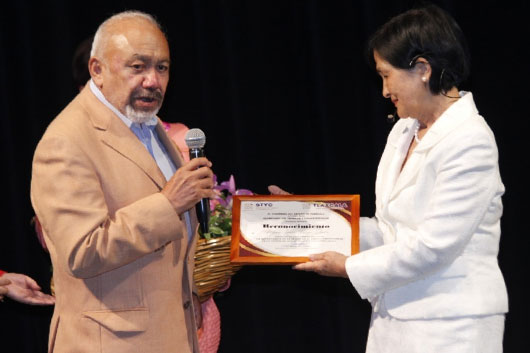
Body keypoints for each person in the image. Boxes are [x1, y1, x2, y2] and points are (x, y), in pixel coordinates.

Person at [275, 4, 508, 352]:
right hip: (392, 321)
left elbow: (434, 246)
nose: (384, 90)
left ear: (423, 70)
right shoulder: (403, 131)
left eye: (386, 74)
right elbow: (389, 231)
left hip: (452, 326)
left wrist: (348, 267)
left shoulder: (470, 139)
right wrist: (309, 219)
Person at [30, 10, 215, 353]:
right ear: (97, 70)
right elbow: (82, 251)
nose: (152, 80)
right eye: (137, 66)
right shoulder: (66, 140)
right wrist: (168, 204)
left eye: (161, 67)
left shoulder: (147, 124)